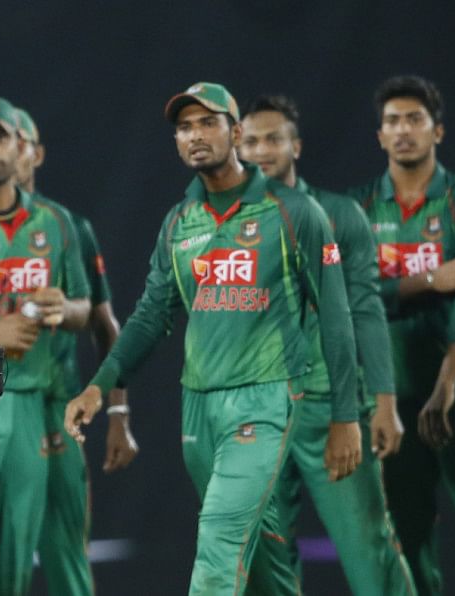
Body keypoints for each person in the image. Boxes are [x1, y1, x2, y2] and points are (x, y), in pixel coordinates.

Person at [65, 82, 363, 594]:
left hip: (266, 399)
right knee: (262, 549)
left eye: (208, 123)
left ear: (237, 132)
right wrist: (100, 385)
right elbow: (150, 316)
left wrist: (346, 416)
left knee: (220, 536)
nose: (195, 135)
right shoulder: (180, 222)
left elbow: (336, 318)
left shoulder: (294, 212)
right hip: (199, 408)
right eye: (185, 127)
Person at [238, 94, 415, 595]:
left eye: (273, 139)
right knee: (265, 564)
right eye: (251, 141)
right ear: (237, 148)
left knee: (368, 549)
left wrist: (383, 402)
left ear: (295, 145)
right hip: (256, 413)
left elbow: (367, 310)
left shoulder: (338, 214)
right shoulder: (220, 224)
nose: (262, 150)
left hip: (330, 408)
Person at [349, 75, 455, 596]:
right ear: (380, 136)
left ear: (437, 131)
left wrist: (447, 383)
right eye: (392, 121)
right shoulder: (357, 209)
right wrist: (431, 279)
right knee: (406, 533)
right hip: (390, 391)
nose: (403, 130)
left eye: (415, 119)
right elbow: (352, 296)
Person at [0, 94, 91, 596]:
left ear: (23, 148)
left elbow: (86, 309)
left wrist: (63, 309)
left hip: (31, 397)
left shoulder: (56, 223)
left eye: (1, 137)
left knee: (14, 549)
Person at [13, 105, 139, 596]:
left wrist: (119, 412)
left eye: (12, 140)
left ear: (35, 152)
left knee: (68, 554)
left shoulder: (66, 227)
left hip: (56, 410)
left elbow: (105, 325)